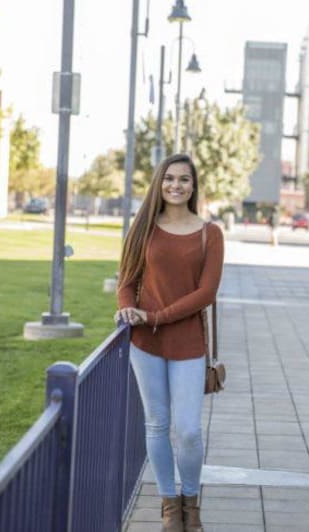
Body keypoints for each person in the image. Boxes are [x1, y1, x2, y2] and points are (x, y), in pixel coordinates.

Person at [116, 154, 224, 532]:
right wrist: (129, 310)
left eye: (184, 180)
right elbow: (126, 282)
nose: (176, 186)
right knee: (157, 424)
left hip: (188, 343)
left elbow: (206, 293)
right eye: (170, 179)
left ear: (194, 187)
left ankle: (190, 503)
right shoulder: (144, 227)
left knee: (189, 429)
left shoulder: (210, 233)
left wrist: (157, 317)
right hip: (145, 343)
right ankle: (168, 506)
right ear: (159, 183)